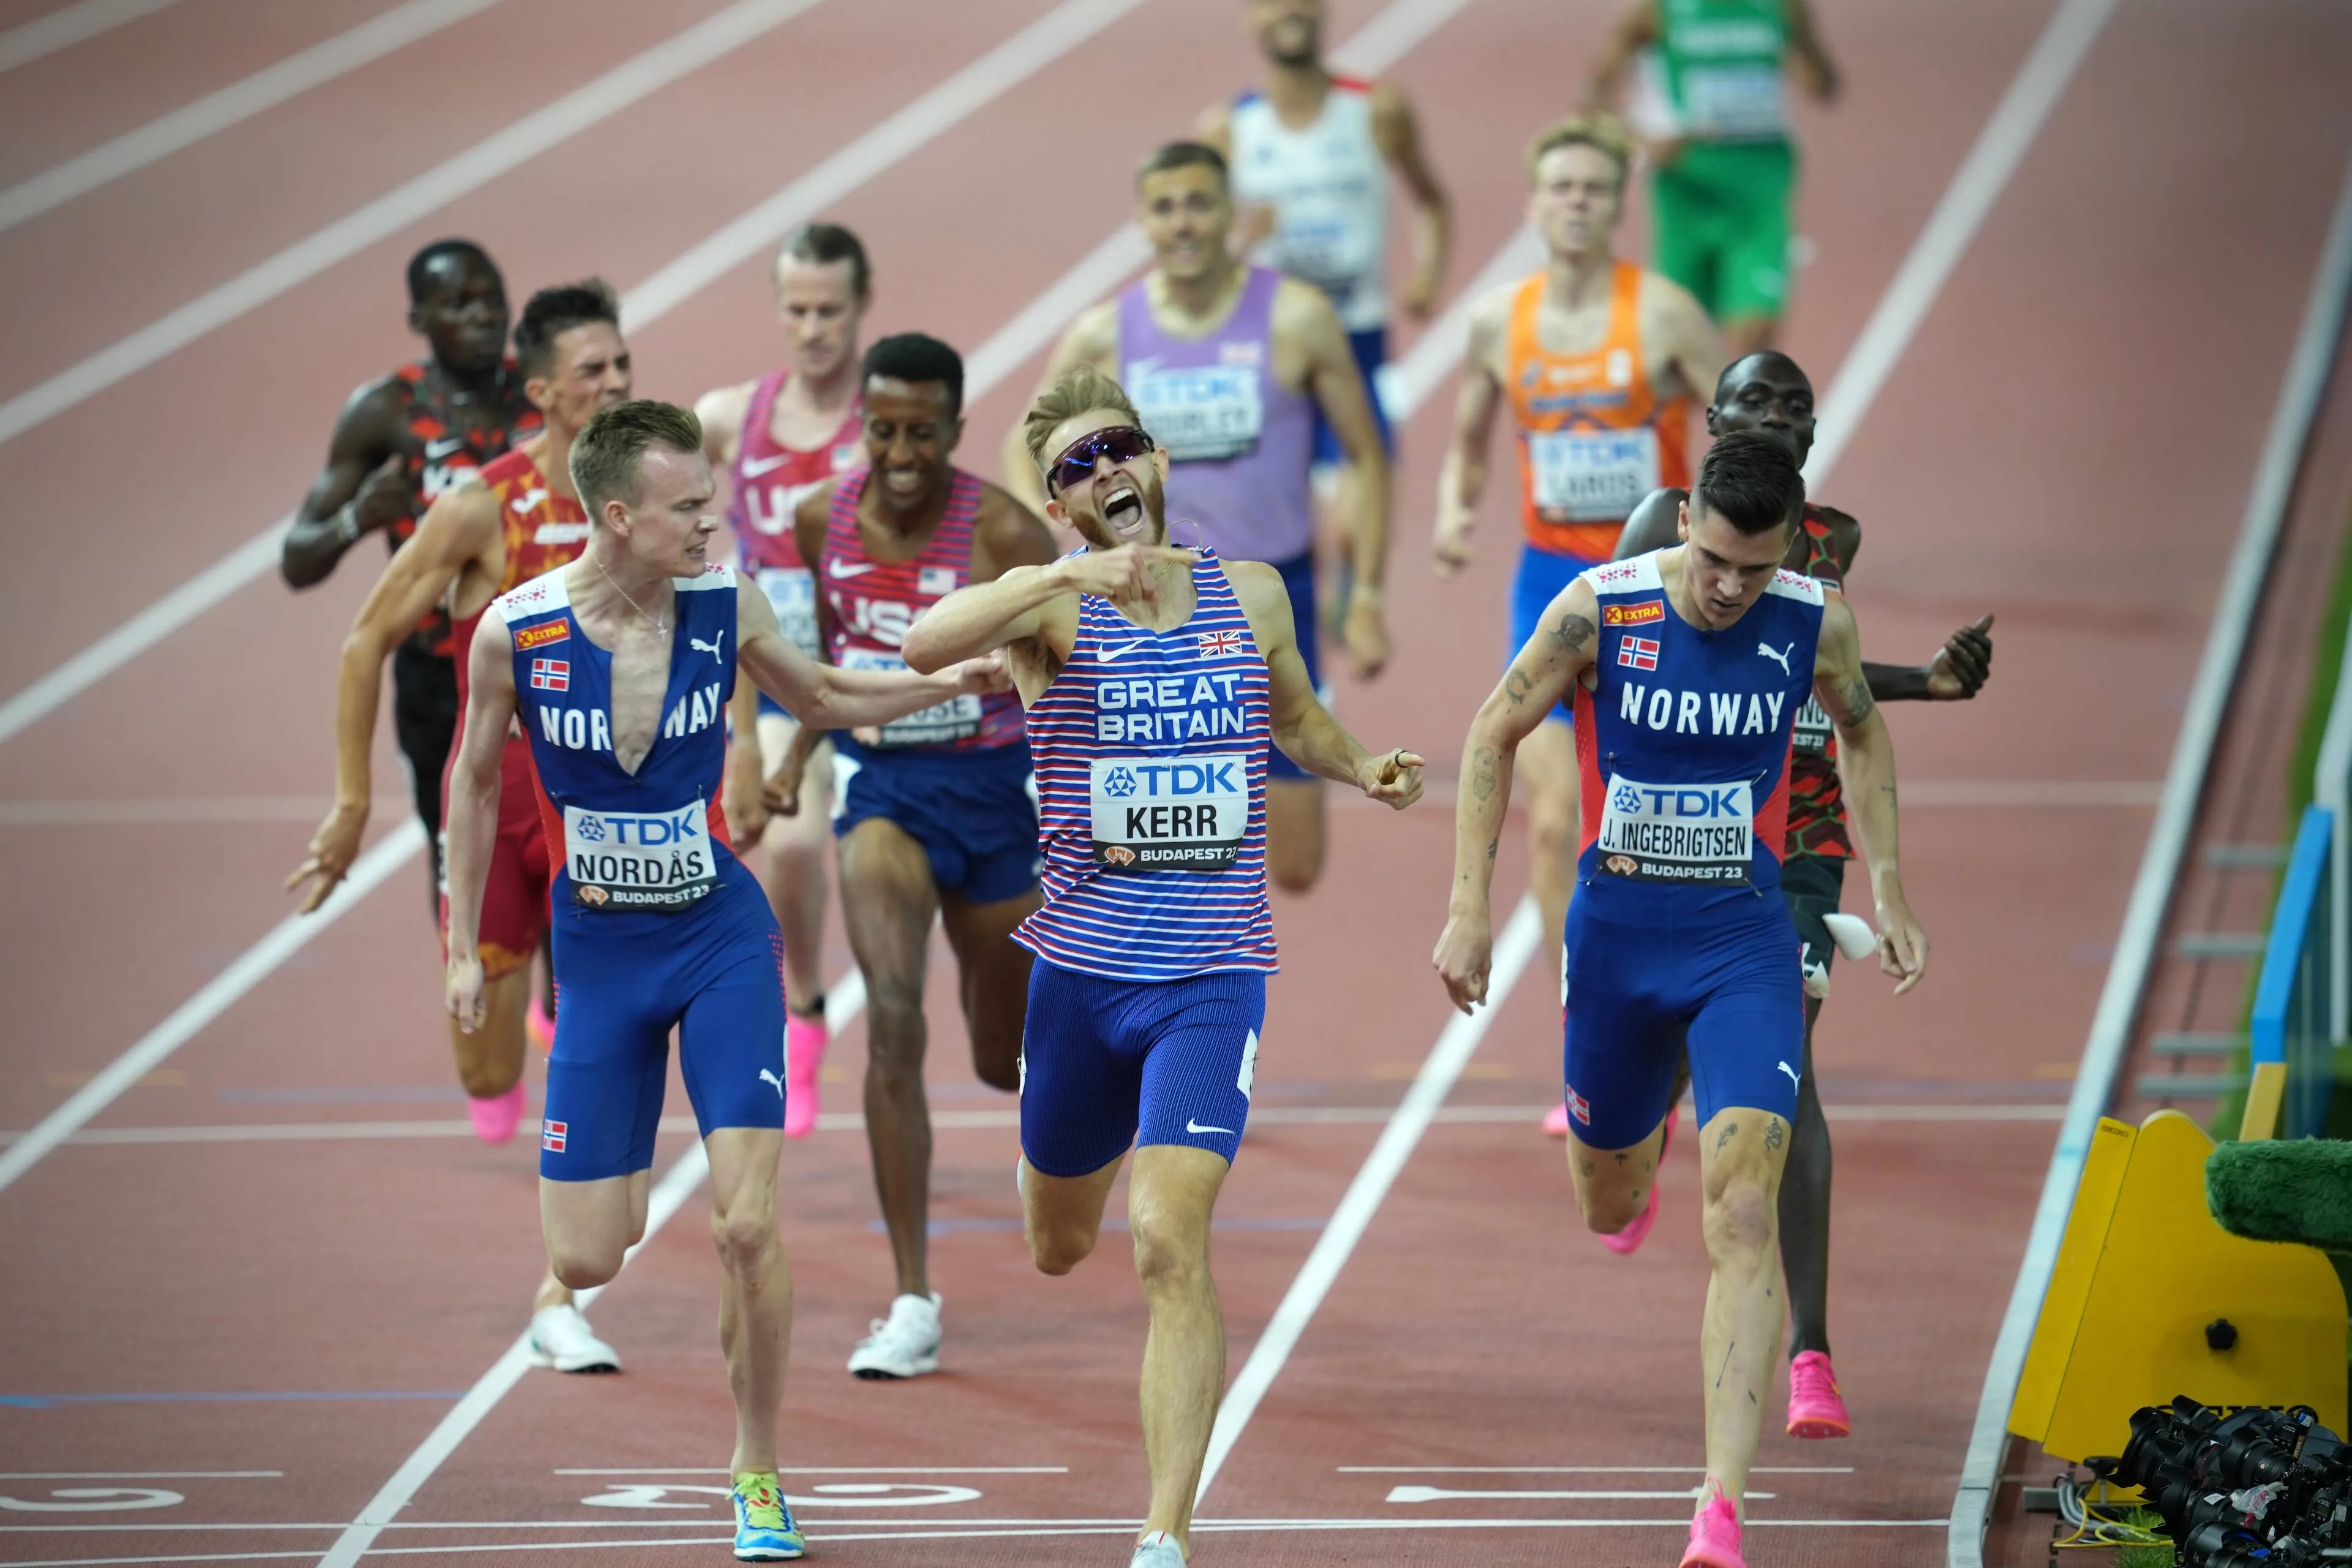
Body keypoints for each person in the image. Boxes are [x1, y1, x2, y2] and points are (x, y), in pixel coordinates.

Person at [443, 398, 1006, 1562]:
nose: (715, 520)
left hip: (716, 941)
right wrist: (461, 947)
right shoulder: (518, 631)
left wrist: (975, 683)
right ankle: (621, 1172)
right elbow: (473, 790)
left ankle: (758, 1469)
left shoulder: (724, 602)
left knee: (748, 1227)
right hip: (599, 963)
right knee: (592, 1255)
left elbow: (830, 699)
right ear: (617, 516)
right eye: (690, 506)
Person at [906, 368, 1423, 1568]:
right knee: (1058, 1237)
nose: (1106, 474)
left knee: (1165, 1235)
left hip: (1211, 972)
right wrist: (1055, 571)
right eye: (1076, 468)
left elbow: (1292, 717)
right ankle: (1059, 1184)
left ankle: (1164, 1529)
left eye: (1119, 449)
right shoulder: (1049, 610)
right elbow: (927, 642)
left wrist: (1359, 767)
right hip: (1080, 978)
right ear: (1060, 501)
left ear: (1158, 462)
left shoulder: (1249, 594)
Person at [1433, 431, 1926, 1568]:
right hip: (1615, 947)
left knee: (1742, 1210)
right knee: (1608, 1205)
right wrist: (1470, 909)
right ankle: (1634, 1142)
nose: (1726, 589)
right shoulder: (1598, 609)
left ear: (1787, 550)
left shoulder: (1814, 621)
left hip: (1742, 944)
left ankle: (1720, 1505)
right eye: (1711, 560)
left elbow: (1861, 725)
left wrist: (1889, 881)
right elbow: (1490, 732)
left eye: (1752, 571)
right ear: (1689, 519)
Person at [1547, 352, 1993, 1448]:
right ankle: (1642, 1129)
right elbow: (1635, 654)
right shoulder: (1663, 519)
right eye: (1756, 401)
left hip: (1798, 836)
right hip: (1679, 824)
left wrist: (1918, 685)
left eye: (1796, 407)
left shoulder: (1827, 534)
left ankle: (1810, 1351)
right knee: (1693, 1049)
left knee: (1793, 1073)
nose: (1778, 418)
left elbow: (1812, 659)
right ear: (1713, 422)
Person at [285, 281, 631, 1373]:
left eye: (625, 366)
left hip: (609, 813)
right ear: (542, 393)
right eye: (596, 372)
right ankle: (529, 1010)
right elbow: (361, 641)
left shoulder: (653, 491)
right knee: (488, 1076)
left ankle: (556, 1293)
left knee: (597, 1048)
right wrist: (349, 805)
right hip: (493, 801)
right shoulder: (484, 506)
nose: (619, 385)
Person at [760, 334, 1058, 1379]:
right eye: (881, 429)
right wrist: (795, 756)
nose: (898, 451)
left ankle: (1070, 1129)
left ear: (954, 430)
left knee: (1003, 1061)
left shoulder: (1007, 534)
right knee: (890, 1012)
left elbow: (1068, 675)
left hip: (996, 805)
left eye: (920, 432)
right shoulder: (815, 523)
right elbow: (822, 668)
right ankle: (912, 1297)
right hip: (883, 797)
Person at [1011, 140, 1393, 896]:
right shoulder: (1105, 335)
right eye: (1164, 207)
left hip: (1271, 595)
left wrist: (1369, 593)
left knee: (1294, 861)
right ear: (1144, 223)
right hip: (1144, 600)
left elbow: (1366, 455)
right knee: (1162, 831)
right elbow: (1021, 443)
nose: (1182, 223)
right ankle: (1188, 966)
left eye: (1198, 204)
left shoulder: (1298, 318)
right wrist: (1065, 551)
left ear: (1232, 214)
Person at [1432, 111, 1722, 1008]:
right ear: (1535, 204)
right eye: (1562, 187)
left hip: (1664, 590)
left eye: (1595, 188)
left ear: (1618, 203)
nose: (1578, 203)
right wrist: (1454, 512)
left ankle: (1692, 991)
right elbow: (1469, 442)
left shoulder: (1666, 314)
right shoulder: (1495, 324)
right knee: (1555, 823)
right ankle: (1587, 1010)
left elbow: (1744, 442)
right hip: (1552, 587)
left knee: (1667, 820)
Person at [281, 240, 542, 910]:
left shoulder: (542, 394)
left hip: (545, 665)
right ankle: (475, 997)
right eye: (459, 304)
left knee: (560, 857)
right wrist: (355, 520)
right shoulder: (386, 412)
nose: (484, 315)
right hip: (439, 680)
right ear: (420, 318)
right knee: (460, 859)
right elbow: (298, 558)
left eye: (492, 298)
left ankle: (556, 1012)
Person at [696, 223, 874, 1138]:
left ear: (860, 308)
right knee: (796, 846)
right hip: (773, 676)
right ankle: (803, 1007)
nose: (813, 329)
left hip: (870, 670)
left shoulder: (884, 422)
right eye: (797, 310)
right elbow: (655, 481)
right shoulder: (732, 417)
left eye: (830, 310)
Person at [1196, 0, 1449, 625]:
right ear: (1250, 19)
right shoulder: (1229, 130)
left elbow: (1432, 199)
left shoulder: (1376, 109)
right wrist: (1239, 243)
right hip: (1272, 343)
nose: (1288, 12)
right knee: (1270, 506)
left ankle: (1358, 597)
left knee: (1368, 476)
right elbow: (1196, 255)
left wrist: (1427, 272)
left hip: (1355, 330)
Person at [1587, 0, 1841, 357]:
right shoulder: (1661, 9)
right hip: (1686, 191)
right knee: (1676, 345)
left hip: (1759, 189)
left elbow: (1827, 84)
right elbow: (1592, 97)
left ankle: (1738, 410)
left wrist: (1804, 66)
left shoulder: (1783, 6)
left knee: (1754, 340)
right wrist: (1643, 139)